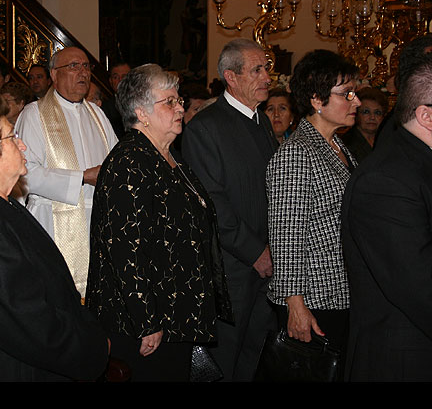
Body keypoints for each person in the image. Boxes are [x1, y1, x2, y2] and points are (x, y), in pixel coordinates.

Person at [0, 91, 110, 381]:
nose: (22, 144)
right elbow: (29, 325)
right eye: (12, 137)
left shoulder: (0, 204)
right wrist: (96, 347)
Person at [86, 63, 233, 381]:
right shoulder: (129, 162)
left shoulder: (169, 155)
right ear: (141, 112)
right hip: (145, 325)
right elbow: (124, 251)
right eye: (169, 102)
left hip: (175, 313)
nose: (180, 106)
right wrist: (146, 321)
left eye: (179, 100)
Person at [182, 38, 278, 382]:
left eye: (266, 68)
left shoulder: (262, 122)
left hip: (266, 265)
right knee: (226, 361)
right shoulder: (204, 128)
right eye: (257, 69)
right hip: (231, 271)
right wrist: (255, 251)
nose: (267, 76)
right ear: (231, 77)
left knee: (255, 357)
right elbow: (211, 202)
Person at [266, 50, 360, 379]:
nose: (356, 101)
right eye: (346, 93)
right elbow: (286, 236)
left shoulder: (337, 145)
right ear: (317, 99)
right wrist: (295, 304)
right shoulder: (296, 153)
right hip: (315, 297)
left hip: (339, 291)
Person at [341, 59, 432, 382]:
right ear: (426, 115)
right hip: (403, 360)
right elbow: (420, 287)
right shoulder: (387, 181)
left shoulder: (415, 165)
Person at [15, 46, 118, 299]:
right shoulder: (34, 114)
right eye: (73, 66)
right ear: (53, 75)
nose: (82, 72)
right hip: (52, 223)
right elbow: (24, 172)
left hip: (98, 224)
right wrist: (81, 178)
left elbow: (116, 162)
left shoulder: (97, 114)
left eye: (85, 66)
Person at [341, 86, 388, 163]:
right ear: (356, 114)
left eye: (377, 113)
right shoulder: (347, 143)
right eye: (366, 112)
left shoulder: (387, 140)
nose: (372, 117)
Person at [101, 61, 131, 138]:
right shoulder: (104, 109)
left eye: (124, 76)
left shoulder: (142, 104)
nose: (120, 80)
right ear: (110, 81)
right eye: (116, 77)